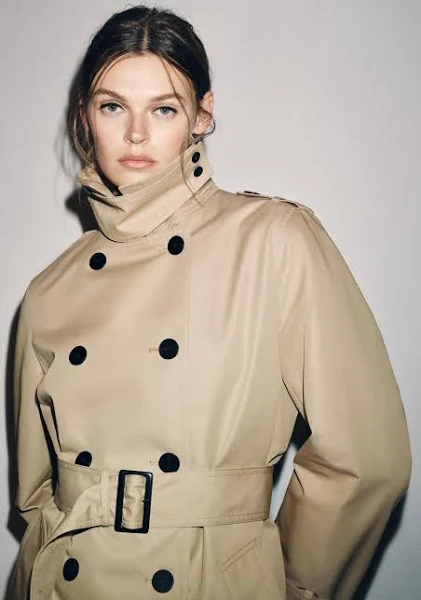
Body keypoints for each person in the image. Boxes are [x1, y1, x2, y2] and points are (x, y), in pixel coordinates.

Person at [12, 5, 411, 600]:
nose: (136, 134)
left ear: (203, 115)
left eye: (164, 109)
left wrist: (289, 589)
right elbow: (36, 497)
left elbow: (367, 460)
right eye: (112, 106)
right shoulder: (50, 290)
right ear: (85, 116)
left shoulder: (274, 241)